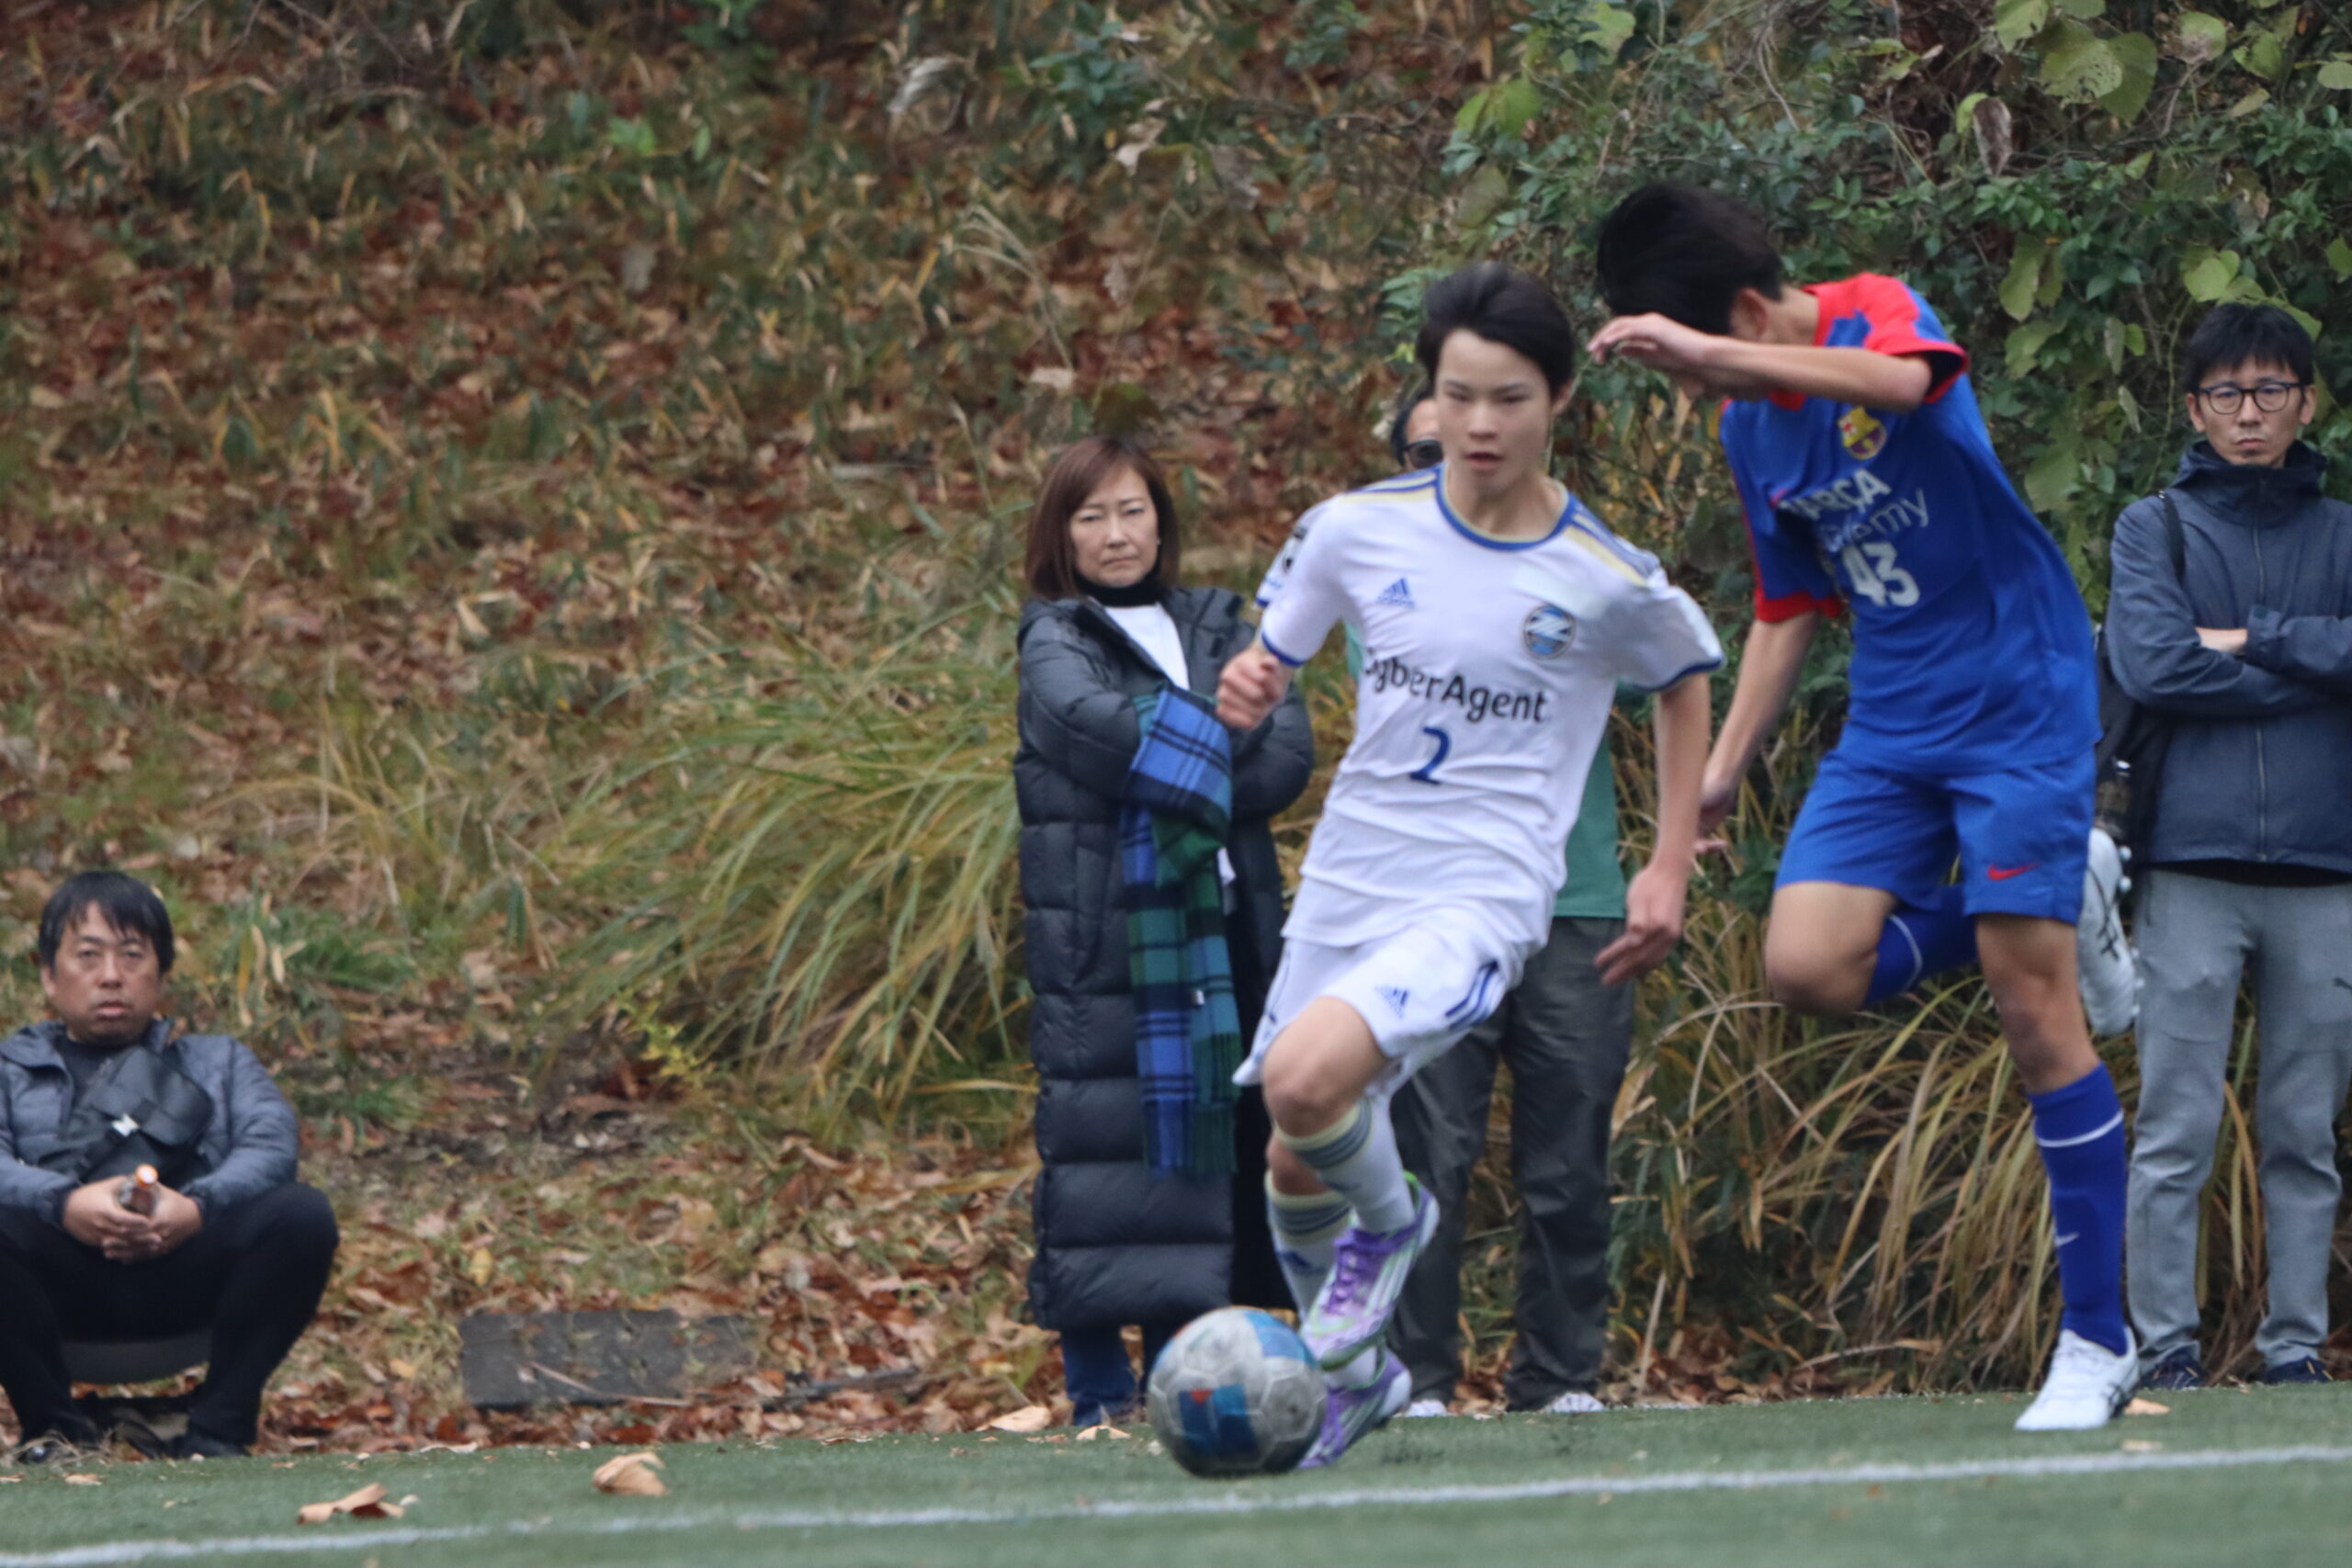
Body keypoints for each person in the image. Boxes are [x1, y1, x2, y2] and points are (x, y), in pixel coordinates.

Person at [1590, 182, 2140, 1430]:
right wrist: (1723, 770)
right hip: (1893, 724)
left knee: (2032, 1005)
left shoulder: (1872, 309)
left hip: (2018, 697)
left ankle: (2098, 1342)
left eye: (1698, 361)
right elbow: (1788, 605)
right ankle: (2059, 891)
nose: (1701, 391)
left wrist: (1718, 359)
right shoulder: (1751, 433)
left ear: (1741, 315)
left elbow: (1904, 384)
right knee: (1808, 963)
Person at [1220, 262, 1720, 1467]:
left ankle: (1391, 1229)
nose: (1479, 424)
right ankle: (1361, 1377)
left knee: (1305, 1082)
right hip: (1353, 873)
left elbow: (1684, 677)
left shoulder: (1601, 572)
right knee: (1292, 1142)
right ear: (1428, 396)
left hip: (1484, 890)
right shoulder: (1356, 528)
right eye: (1457, 396)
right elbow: (1272, 652)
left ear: (1559, 401)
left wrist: (1666, 865)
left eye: (1509, 398)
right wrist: (1253, 680)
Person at [1273, 389, 1637, 1418]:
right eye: (1422, 450)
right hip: (1429, 914)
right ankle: (1419, 1379)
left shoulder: (1585, 564)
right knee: (1426, 1152)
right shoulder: (1387, 589)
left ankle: (1560, 1379)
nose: (1452, 461)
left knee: (1569, 1160)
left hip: (1576, 901)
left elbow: (1650, 674)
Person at [1014, 435, 1313, 1428]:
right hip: (1103, 943)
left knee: (1206, 1155)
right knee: (1101, 1158)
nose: (1115, 534)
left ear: (1161, 519)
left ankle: (1184, 1383)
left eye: (1132, 510)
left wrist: (1183, 742)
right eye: (1091, 515)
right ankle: (1100, 1392)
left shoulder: (1220, 621)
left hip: (1226, 930)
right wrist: (1220, 733)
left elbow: (1286, 753)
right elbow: (1095, 728)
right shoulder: (1056, 636)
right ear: (1061, 533)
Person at [2107, 304, 2352, 1390]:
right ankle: (2166, 1346)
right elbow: (2154, 665)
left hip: (2324, 867)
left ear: (2306, 402)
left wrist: (2252, 639)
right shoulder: (2151, 527)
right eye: (2225, 393)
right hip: (2187, 863)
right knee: (2174, 1123)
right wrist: (2316, 671)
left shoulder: (2342, 534)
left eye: (2269, 391)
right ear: (2194, 407)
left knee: (2304, 1130)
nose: (2248, 414)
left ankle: (2293, 1348)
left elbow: (2204, 660)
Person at [0, 872, 339, 1460]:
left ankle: (218, 1431)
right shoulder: (8, 1068)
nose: (111, 975)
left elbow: (271, 1148)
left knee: (302, 1215)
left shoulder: (219, 1062)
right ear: (50, 976)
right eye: (88, 956)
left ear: (161, 974)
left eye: (132, 955)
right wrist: (64, 1203)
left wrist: (196, 1208)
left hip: (187, 1272)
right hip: (57, 1285)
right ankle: (55, 1432)